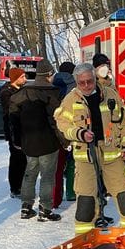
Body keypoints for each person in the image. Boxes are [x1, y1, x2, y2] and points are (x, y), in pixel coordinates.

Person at [54, 63, 125, 234]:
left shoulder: (111, 95)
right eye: (82, 83)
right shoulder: (70, 100)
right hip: (86, 157)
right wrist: (79, 133)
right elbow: (62, 124)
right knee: (86, 199)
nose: (86, 86)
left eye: (89, 81)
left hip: (112, 154)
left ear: (95, 79)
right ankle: (84, 236)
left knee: (124, 195)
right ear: (76, 83)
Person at [9, 59, 63, 221]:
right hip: (48, 142)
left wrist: (17, 140)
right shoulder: (52, 92)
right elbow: (56, 121)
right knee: (47, 176)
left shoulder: (23, 92)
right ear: (48, 75)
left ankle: (26, 208)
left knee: (30, 173)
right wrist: (64, 141)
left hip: (29, 142)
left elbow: (13, 117)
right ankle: (45, 210)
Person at [52, 61, 77, 207]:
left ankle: (56, 195)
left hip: (55, 128)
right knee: (73, 161)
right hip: (70, 127)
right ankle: (71, 192)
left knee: (58, 164)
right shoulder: (73, 86)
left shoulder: (53, 83)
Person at [1, 67, 27, 198]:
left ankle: (21, 185)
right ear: (15, 78)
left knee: (23, 159)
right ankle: (15, 188)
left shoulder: (21, 90)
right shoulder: (7, 92)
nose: (25, 79)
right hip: (13, 130)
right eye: (22, 77)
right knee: (16, 159)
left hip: (23, 129)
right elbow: (11, 111)